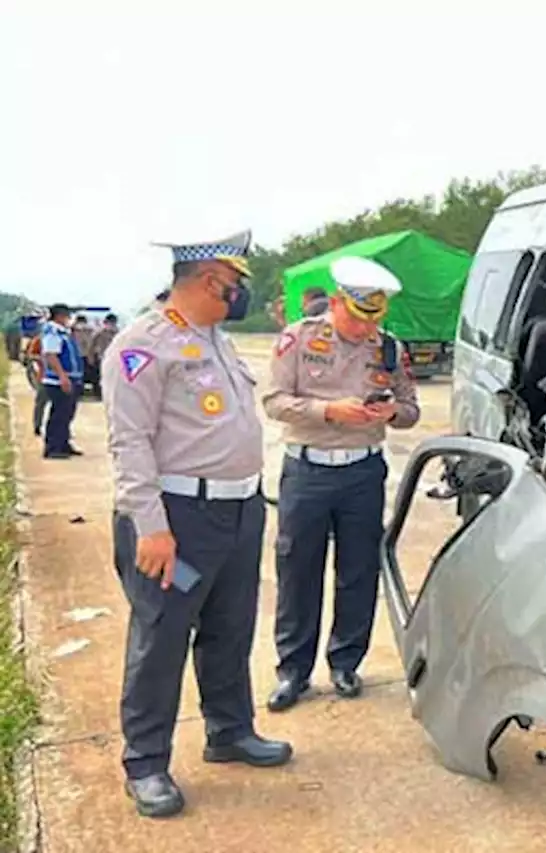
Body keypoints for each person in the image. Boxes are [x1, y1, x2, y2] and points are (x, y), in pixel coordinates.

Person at [102, 229, 292, 819]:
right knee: (162, 639)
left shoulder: (215, 339)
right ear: (211, 280)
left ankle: (229, 731)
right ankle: (147, 764)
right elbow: (129, 443)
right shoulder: (142, 346)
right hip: (178, 522)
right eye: (235, 285)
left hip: (237, 512)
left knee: (230, 628)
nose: (239, 295)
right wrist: (151, 527)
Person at [262, 256, 420, 711]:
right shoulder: (299, 338)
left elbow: (411, 410)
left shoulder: (389, 348)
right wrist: (330, 411)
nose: (362, 330)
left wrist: (392, 413)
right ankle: (293, 671)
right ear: (335, 303)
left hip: (363, 473)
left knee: (358, 571)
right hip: (307, 470)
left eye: (372, 320)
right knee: (297, 571)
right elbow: (274, 401)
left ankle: (346, 662)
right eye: (355, 317)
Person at [39, 304, 85, 459]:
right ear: (59, 316)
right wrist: (62, 376)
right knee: (59, 414)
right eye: (66, 316)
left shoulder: (63, 332)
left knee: (66, 414)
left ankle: (63, 444)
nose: (68, 319)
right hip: (58, 381)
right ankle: (53, 448)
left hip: (71, 378)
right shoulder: (52, 332)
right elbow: (51, 355)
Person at [85, 313, 119, 397]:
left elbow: (91, 345)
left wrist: (90, 357)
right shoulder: (118, 332)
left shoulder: (99, 331)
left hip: (102, 356)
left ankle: (99, 393)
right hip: (111, 357)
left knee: (100, 376)